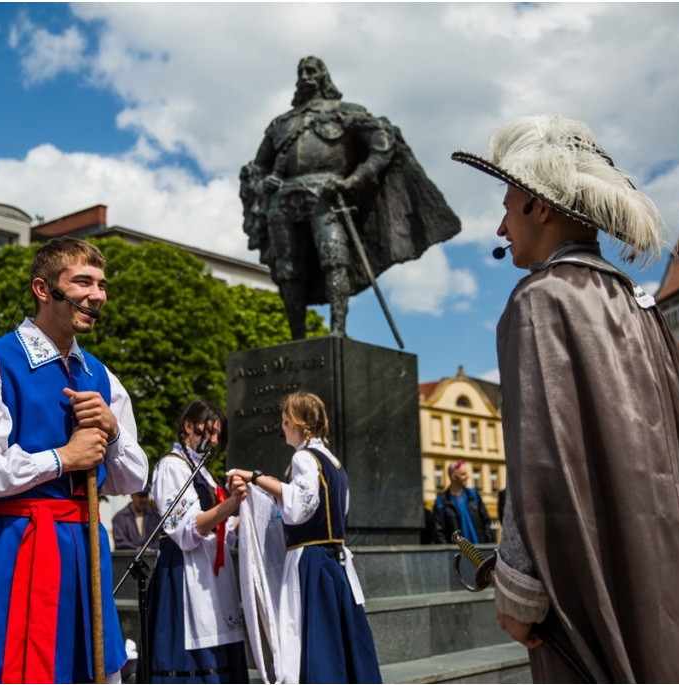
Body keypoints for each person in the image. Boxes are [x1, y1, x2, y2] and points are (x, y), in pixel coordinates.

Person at [452, 114, 679, 682]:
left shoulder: (542, 299)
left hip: (586, 583)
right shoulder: (639, 304)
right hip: (667, 571)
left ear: (539, 205)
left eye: (507, 205)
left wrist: (520, 587)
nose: (502, 228)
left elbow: (541, 461)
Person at [0, 237, 148, 683]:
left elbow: (130, 478)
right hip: (16, 547)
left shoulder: (103, 376)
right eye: (83, 282)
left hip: (84, 547)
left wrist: (112, 432)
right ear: (43, 288)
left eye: (102, 285)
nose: (97, 295)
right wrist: (61, 458)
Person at [240, 56, 459, 338]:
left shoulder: (344, 112)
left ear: (323, 77)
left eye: (312, 71)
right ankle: (297, 339)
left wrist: (352, 181)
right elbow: (258, 165)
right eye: (301, 72)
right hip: (284, 200)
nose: (305, 76)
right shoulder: (281, 124)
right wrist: (262, 180)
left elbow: (382, 144)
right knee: (288, 270)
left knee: (334, 258)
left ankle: (338, 331)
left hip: (326, 195)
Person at [230, 391, 382, 683]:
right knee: (337, 637)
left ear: (297, 423)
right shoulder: (333, 462)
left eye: (285, 420)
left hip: (310, 562)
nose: (282, 426)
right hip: (335, 562)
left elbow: (300, 506)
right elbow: (332, 506)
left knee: (310, 637)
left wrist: (255, 477)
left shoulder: (303, 457)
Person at [146, 399, 249, 683]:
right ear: (188, 427)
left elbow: (222, 530)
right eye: (208, 432)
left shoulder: (201, 469)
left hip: (211, 570)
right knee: (191, 656)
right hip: (185, 568)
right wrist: (233, 503)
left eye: (217, 434)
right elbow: (187, 528)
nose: (213, 440)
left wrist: (257, 515)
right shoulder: (172, 466)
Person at [431, 461, 494, 544]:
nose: (467, 476)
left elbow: (486, 522)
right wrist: (451, 554)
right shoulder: (441, 504)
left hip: (480, 553)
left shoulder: (474, 496)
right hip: (459, 555)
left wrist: (488, 547)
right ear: (453, 477)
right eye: (463, 474)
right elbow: (439, 534)